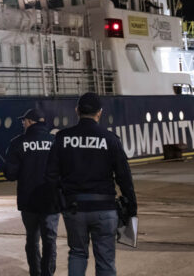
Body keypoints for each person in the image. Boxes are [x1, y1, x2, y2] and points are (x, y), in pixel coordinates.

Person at [46, 92, 136, 276]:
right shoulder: (110, 139)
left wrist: (60, 202)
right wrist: (132, 208)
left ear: (77, 111)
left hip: (74, 208)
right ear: (100, 113)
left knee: (78, 254)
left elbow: (51, 176)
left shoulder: (63, 138)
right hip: (105, 208)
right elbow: (124, 177)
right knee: (105, 259)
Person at [4, 108, 60, 276]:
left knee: (32, 239)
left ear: (30, 122)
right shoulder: (55, 141)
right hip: (51, 199)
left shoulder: (17, 142)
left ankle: (35, 272)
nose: (23, 123)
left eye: (24, 121)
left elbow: (11, 174)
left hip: (28, 200)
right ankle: (47, 272)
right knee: (50, 239)